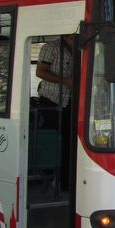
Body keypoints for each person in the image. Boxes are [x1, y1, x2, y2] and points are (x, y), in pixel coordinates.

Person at [35, 35, 74, 188]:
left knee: (69, 142)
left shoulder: (82, 47)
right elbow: (40, 72)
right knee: (52, 141)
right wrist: (66, 81)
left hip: (72, 101)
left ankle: (66, 180)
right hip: (51, 100)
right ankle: (47, 178)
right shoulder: (51, 47)